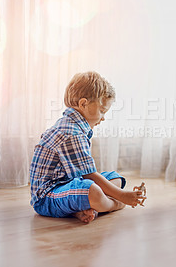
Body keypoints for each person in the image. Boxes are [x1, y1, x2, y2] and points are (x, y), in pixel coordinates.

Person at [30, 71, 146, 223]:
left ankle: (82, 210)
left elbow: (85, 174)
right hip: (47, 197)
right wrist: (122, 196)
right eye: (102, 111)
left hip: (69, 183)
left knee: (115, 177)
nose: (103, 117)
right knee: (92, 190)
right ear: (83, 104)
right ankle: (113, 205)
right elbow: (89, 175)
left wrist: (118, 191)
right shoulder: (71, 132)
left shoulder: (75, 126)